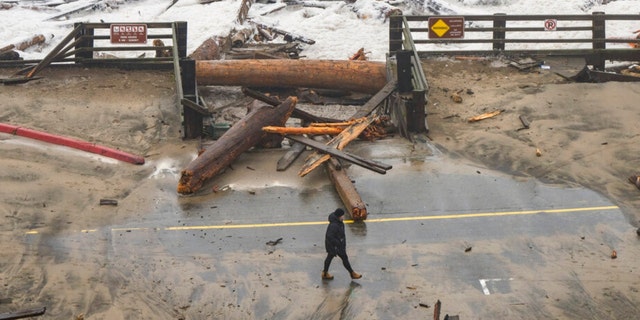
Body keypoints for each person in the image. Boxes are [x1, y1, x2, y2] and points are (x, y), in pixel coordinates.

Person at [322, 208, 362, 280]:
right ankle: (352, 273)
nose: (343, 217)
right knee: (343, 258)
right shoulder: (334, 225)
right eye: (342, 216)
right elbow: (329, 236)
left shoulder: (339, 222)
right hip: (334, 246)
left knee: (331, 258)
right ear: (339, 216)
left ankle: (325, 273)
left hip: (337, 245)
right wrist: (338, 243)